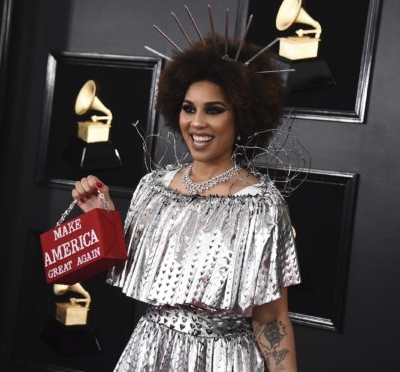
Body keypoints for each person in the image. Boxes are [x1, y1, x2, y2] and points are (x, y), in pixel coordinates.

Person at [72, 33, 301, 371]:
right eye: (188, 108)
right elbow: (125, 266)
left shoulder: (261, 206)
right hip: (150, 352)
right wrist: (101, 217)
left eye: (214, 110)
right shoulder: (152, 188)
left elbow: (271, 319)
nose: (197, 122)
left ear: (242, 117)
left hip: (224, 361)